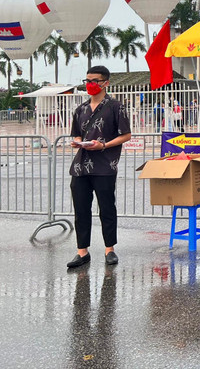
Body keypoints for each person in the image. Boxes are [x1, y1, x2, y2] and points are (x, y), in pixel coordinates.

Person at [67, 66, 132, 269]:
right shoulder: (81, 109)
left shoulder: (115, 107)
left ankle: (109, 249)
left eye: (94, 80)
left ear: (106, 83)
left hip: (105, 165)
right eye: (87, 80)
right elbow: (76, 133)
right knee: (81, 209)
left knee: (106, 207)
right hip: (81, 166)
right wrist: (78, 142)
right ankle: (82, 251)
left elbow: (126, 135)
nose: (90, 84)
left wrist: (103, 145)